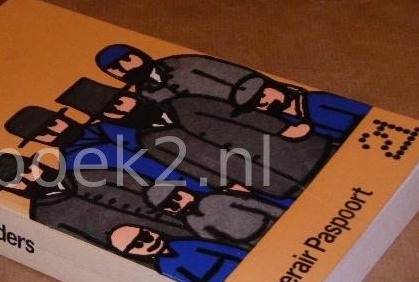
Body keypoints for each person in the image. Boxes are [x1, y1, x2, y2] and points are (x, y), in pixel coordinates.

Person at [57, 77, 333, 199]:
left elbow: (236, 114)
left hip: (286, 147)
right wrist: (226, 185)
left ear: (130, 96)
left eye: (120, 102)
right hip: (253, 174)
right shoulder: (148, 140)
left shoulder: (184, 103)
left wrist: (280, 128)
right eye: (111, 112)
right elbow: (191, 167)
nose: (121, 110)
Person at [0, 153, 190, 246]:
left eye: (26, 171)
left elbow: (149, 187)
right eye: (16, 182)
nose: (27, 180)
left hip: (188, 220)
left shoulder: (89, 173)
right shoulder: (44, 216)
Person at [4, 98, 211, 193]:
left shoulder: (112, 123)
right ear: (40, 141)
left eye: (52, 124)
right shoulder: (72, 165)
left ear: (61, 118)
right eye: (42, 134)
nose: (53, 132)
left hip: (206, 166)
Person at [95, 43, 272, 107]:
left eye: (127, 59)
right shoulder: (144, 95)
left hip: (254, 103)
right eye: (115, 68)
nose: (125, 67)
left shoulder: (182, 62)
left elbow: (238, 75)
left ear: (139, 55)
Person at [109, 225, 247, 282]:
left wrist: (248, 262)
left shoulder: (183, 244)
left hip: (241, 269)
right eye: (137, 245)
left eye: (146, 236)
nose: (148, 243)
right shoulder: (164, 267)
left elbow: (223, 250)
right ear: (132, 253)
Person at [144, 184, 284, 249]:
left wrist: (281, 214)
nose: (179, 204)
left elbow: (252, 204)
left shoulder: (213, 199)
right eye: (170, 205)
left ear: (184, 191)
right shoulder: (192, 221)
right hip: (254, 243)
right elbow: (215, 241)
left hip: (271, 224)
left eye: (178, 197)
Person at [236, 76, 372, 142]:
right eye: (255, 104)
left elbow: (367, 113)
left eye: (262, 95)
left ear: (276, 87)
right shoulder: (290, 124)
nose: (262, 102)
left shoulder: (317, 99)